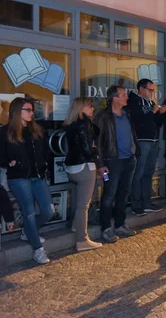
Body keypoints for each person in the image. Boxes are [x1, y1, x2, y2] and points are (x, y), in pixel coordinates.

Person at [0, 98, 53, 264]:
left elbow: (45, 152)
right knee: (28, 213)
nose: (31, 113)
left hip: (38, 177)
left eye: (32, 110)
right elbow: (1, 155)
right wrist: (9, 161)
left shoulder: (36, 130)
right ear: (17, 111)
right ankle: (38, 250)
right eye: (27, 110)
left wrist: (45, 167)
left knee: (48, 211)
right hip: (18, 178)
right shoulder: (5, 132)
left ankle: (29, 232)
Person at [95, 85, 138, 243]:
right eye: (123, 95)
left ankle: (120, 224)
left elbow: (132, 134)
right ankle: (106, 227)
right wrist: (100, 164)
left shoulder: (127, 114)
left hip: (129, 160)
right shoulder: (103, 116)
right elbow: (97, 142)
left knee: (123, 194)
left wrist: (135, 152)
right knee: (109, 195)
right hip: (111, 162)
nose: (127, 97)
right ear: (115, 98)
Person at [64, 97, 103, 252]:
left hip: (72, 167)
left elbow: (96, 132)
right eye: (90, 107)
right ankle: (82, 240)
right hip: (85, 167)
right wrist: (96, 152)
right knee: (83, 205)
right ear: (82, 108)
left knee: (80, 202)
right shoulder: (84, 125)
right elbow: (88, 150)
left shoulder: (71, 124)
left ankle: (76, 226)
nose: (93, 109)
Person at [127, 79, 166, 217]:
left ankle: (147, 203)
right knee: (139, 173)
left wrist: (160, 114)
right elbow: (137, 121)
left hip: (154, 140)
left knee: (149, 172)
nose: (152, 93)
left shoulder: (151, 103)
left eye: (153, 90)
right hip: (142, 140)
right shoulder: (134, 101)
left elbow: (156, 123)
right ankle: (136, 204)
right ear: (141, 89)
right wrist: (152, 112)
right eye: (150, 90)